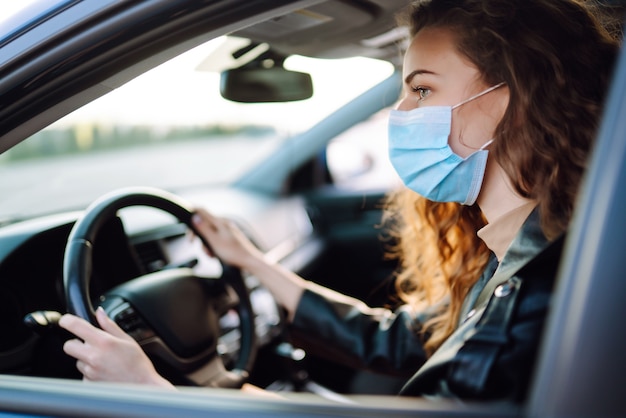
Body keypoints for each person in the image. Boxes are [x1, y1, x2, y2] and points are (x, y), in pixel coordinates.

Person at [58, 0, 621, 402]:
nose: (399, 113)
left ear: (512, 97)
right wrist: (252, 263)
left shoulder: (543, 287)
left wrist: (153, 394)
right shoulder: (529, 246)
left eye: (421, 88)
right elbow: (405, 341)